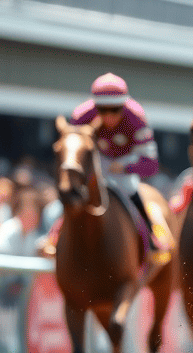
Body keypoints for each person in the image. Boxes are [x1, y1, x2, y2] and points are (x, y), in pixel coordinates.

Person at [70, 73, 172, 267]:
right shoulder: (80, 116)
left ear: (124, 105)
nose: (108, 116)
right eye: (102, 110)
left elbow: (151, 165)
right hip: (96, 157)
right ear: (94, 106)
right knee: (74, 191)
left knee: (131, 188)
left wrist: (126, 166)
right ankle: (54, 235)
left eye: (115, 110)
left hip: (126, 161)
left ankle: (151, 237)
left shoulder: (137, 119)